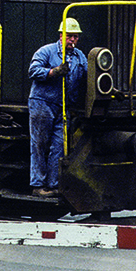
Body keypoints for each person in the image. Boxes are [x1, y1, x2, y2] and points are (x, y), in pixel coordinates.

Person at [28, 17, 87, 197]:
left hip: (63, 107)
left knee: (59, 146)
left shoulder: (79, 57)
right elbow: (32, 70)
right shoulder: (47, 51)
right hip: (42, 103)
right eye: (70, 36)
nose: (73, 40)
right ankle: (38, 185)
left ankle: (53, 185)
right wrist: (52, 72)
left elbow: (89, 74)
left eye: (76, 37)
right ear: (61, 35)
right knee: (39, 143)